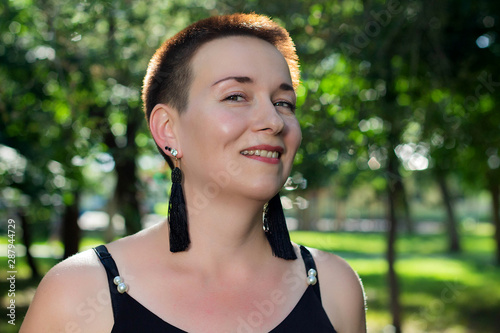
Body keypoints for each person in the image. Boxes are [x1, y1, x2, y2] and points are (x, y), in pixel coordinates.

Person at [20, 13, 366, 333]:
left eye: (283, 103)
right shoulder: (77, 293)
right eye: (236, 96)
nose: (274, 122)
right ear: (168, 130)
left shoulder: (334, 288)